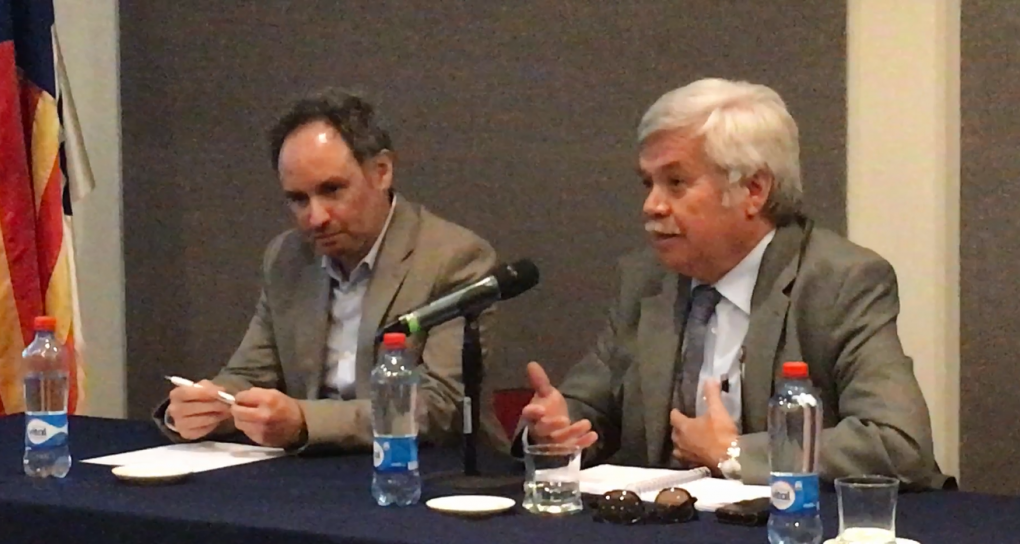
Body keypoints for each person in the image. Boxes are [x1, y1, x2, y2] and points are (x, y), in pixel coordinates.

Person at [518, 78, 949, 489]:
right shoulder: (647, 281)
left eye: (676, 182)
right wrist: (554, 430)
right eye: (648, 184)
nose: (652, 205)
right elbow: (587, 408)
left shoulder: (839, 282)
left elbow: (897, 443)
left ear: (753, 189)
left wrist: (736, 453)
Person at [154, 88, 505, 452]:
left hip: (428, 468)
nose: (316, 217)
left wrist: (305, 422)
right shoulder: (287, 257)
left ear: (382, 171)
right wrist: (210, 407)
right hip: (314, 467)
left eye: (332, 190)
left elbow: (439, 408)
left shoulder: (455, 258)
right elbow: (250, 374)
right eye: (298, 199)